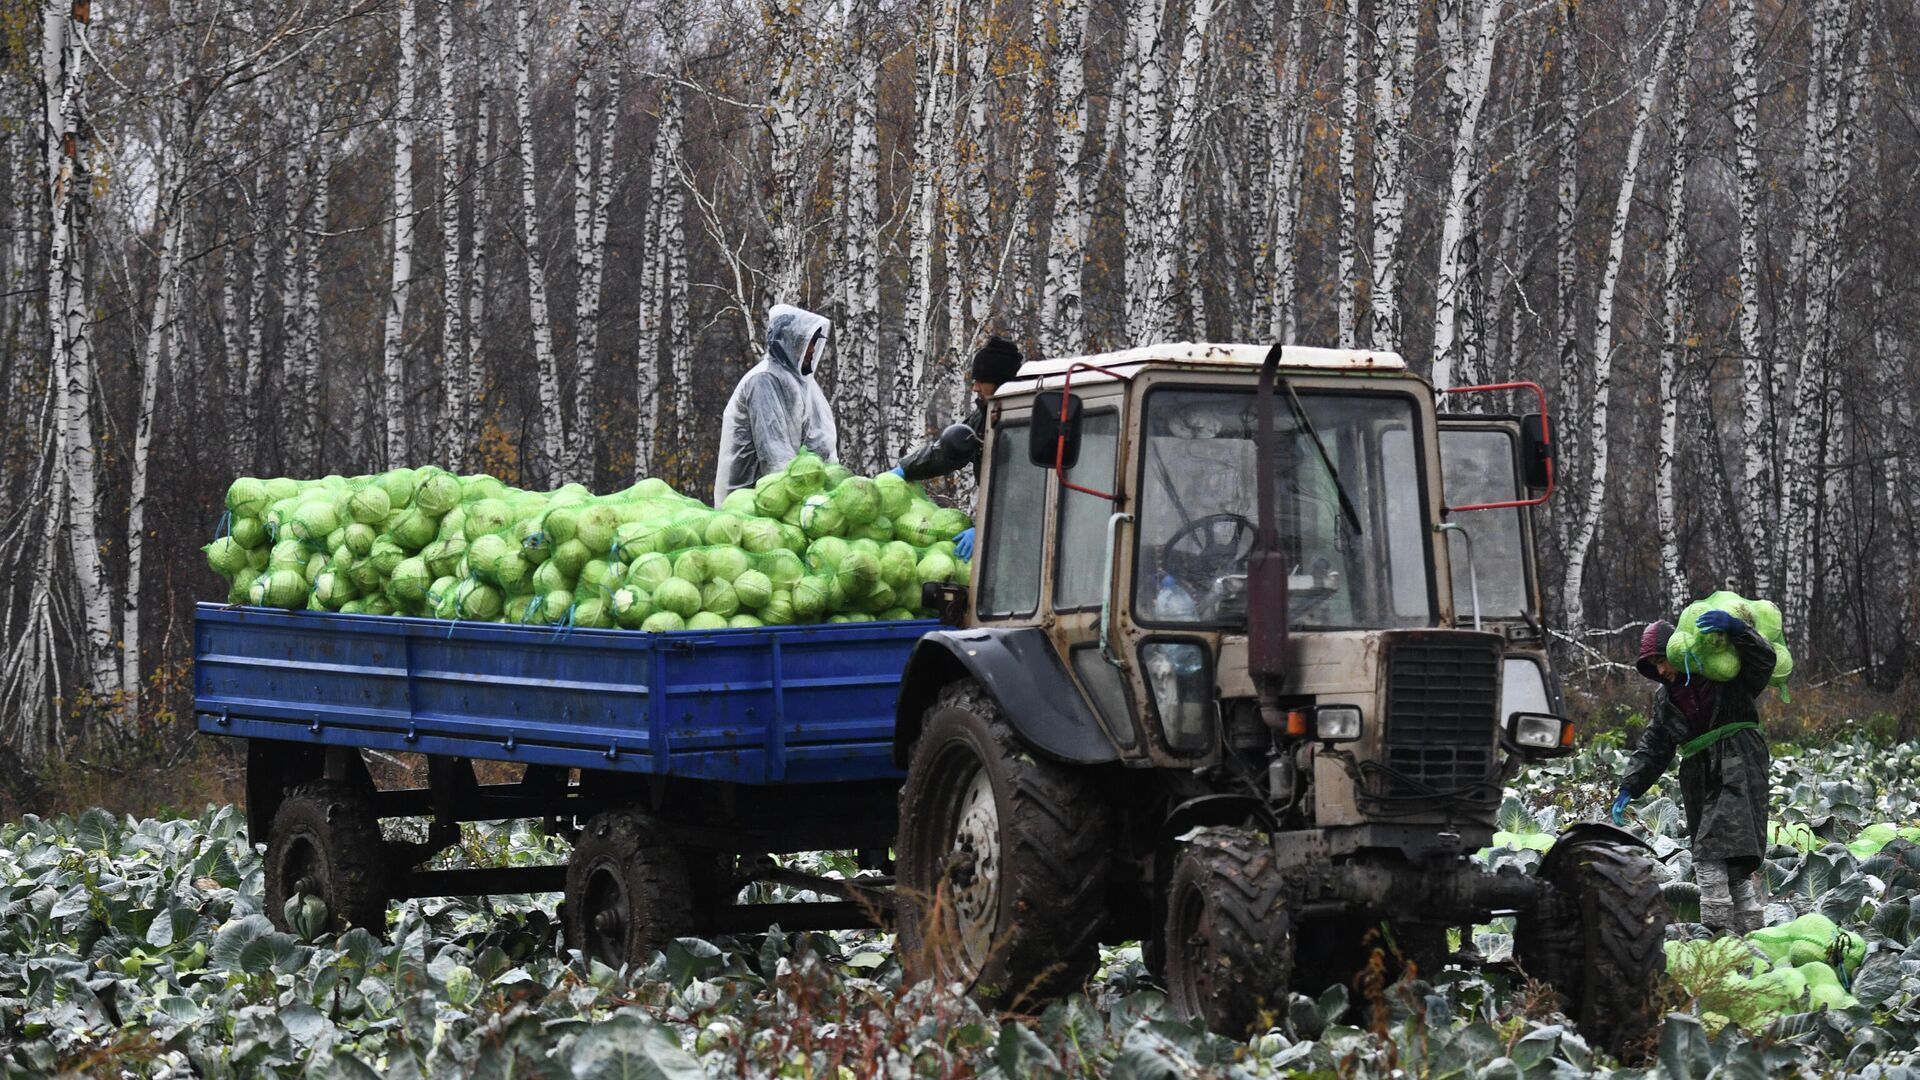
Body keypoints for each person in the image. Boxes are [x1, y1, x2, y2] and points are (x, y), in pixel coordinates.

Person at [1614, 612, 1777, 934]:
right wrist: (1629, 786)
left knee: (1708, 853)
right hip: (1698, 773)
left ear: (1679, 651)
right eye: (1654, 665)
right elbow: (1655, 744)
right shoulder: (1666, 698)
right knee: (1729, 864)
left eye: (1663, 660)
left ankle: (1716, 931)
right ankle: (1748, 931)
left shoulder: (1724, 674)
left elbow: (1764, 661)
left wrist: (1739, 630)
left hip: (1738, 761)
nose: (1661, 670)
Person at [889, 335, 1025, 559]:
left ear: (1001, 382)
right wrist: (905, 469)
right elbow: (948, 450)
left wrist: (985, 527)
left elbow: (1022, 495)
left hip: (1022, 534)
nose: (974, 388)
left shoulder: (1025, 424)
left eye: (981, 380)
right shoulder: (986, 417)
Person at [714, 304, 839, 505]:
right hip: (751, 501)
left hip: (784, 496)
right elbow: (775, 457)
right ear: (791, 343)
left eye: (815, 343)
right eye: (808, 343)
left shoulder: (802, 384)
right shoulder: (764, 380)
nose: (813, 351)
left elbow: (819, 444)